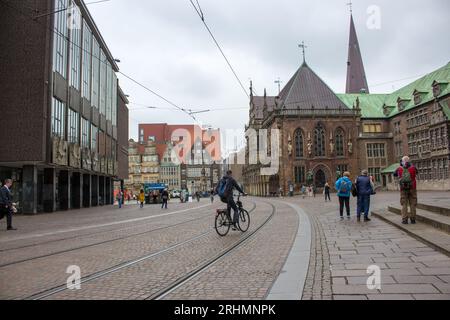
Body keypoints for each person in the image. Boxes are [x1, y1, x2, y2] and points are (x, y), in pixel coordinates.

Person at [394, 156, 418, 225]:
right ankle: (413, 219)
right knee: (412, 204)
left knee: (404, 204)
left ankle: (405, 219)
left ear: (402, 161)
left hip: (403, 189)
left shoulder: (399, 168)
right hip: (412, 188)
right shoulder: (413, 167)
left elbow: (394, 174)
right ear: (409, 161)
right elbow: (417, 172)